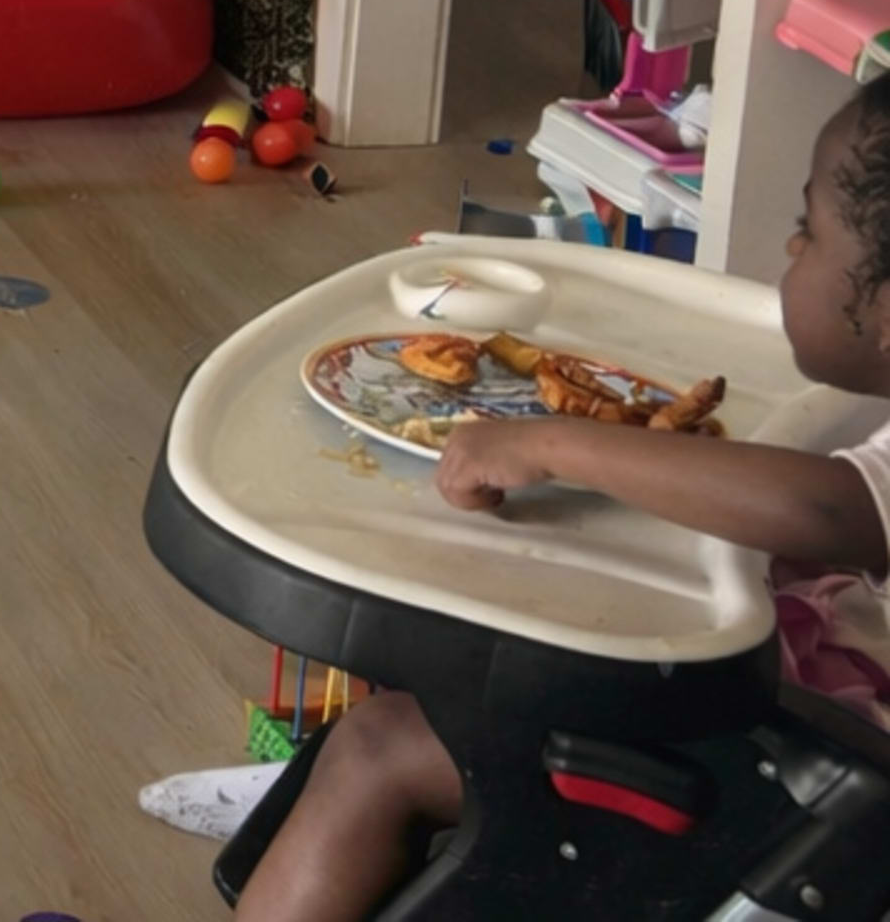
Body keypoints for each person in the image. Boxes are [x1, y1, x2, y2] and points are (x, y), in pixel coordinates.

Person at [236, 80, 890, 920]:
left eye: (811, 232)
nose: (792, 246)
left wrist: (552, 443)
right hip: (819, 734)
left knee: (380, 747)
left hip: (823, 797)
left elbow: (831, 511)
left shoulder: (844, 504)